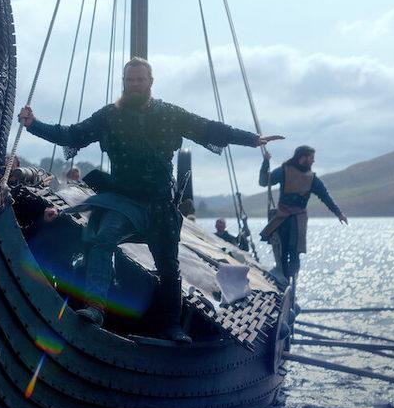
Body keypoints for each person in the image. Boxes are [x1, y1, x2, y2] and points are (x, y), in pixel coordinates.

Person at [21, 56, 282, 342]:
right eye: (129, 80)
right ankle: (95, 307)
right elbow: (72, 134)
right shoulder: (109, 116)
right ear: (124, 83)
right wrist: (34, 124)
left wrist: (251, 139)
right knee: (103, 237)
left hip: (159, 204)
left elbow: (208, 128)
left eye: (140, 80)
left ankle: (171, 325)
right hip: (123, 200)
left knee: (168, 265)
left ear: (150, 82)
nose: (134, 84)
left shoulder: (169, 114)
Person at [258, 145, 347, 283]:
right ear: (302, 158)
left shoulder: (312, 179)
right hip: (282, 218)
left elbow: (325, 197)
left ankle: (292, 283)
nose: (313, 161)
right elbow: (264, 181)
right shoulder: (284, 171)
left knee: (295, 252)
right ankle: (284, 280)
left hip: (298, 220)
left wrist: (339, 214)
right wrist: (265, 162)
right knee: (282, 249)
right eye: (311, 158)